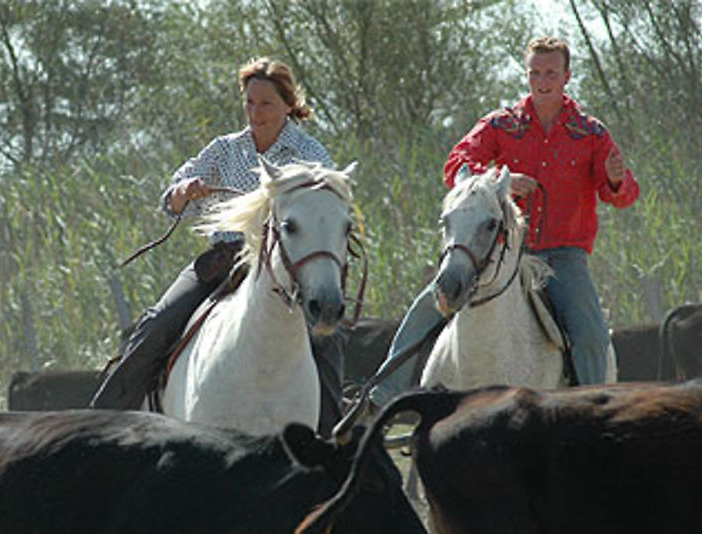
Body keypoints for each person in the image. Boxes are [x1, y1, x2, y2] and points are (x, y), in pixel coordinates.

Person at [368, 35, 639, 408]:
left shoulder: (590, 133)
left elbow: (624, 196)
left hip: (563, 259)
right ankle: (385, 392)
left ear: (567, 77)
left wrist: (615, 178)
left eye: (551, 73)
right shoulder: (500, 125)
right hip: (499, 251)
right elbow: (457, 165)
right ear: (526, 75)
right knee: (431, 302)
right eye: (535, 72)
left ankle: (592, 412)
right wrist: (503, 180)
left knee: (590, 333)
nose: (542, 80)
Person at [91, 57, 345, 435]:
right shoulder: (226, 149)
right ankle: (99, 430)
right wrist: (182, 192)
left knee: (327, 341)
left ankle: (332, 444)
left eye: (266, 104)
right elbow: (171, 199)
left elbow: (326, 210)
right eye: (249, 103)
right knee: (158, 325)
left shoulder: (310, 155)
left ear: (288, 105)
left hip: (285, 268)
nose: (255, 113)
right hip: (222, 263)